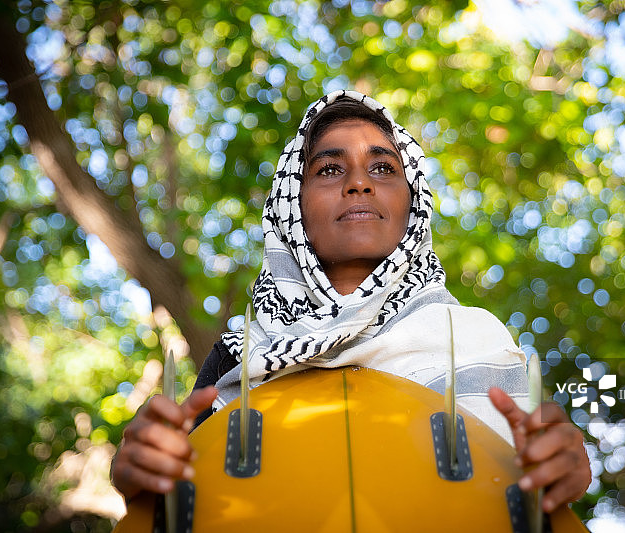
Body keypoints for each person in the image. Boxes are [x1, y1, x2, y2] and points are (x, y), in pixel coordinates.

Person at [111, 91, 591, 513]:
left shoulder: (471, 338)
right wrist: (139, 475)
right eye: (330, 169)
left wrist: (561, 467)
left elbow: (520, 497)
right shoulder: (241, 356)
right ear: (292, 208)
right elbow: (183, 504)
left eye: (383, 167)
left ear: (413, 202)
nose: (359, 182)